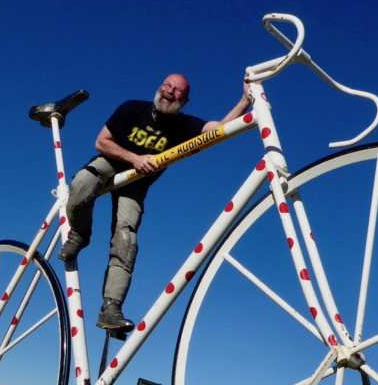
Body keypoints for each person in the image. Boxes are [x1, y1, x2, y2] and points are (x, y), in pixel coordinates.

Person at [58, 73, 251, 331]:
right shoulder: (132, 109)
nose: (171, 91)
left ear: (185, 100)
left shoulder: (183, 125)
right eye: (168, 85)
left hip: (136, 185)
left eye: (178, 91)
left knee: (126, 239)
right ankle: (80, 234)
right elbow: (101, 141)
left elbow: (218, 130)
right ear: (160, 87)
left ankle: (110, 308)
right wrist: (135, 158)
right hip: (113, 162)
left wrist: (245, 100)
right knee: (82, 184)